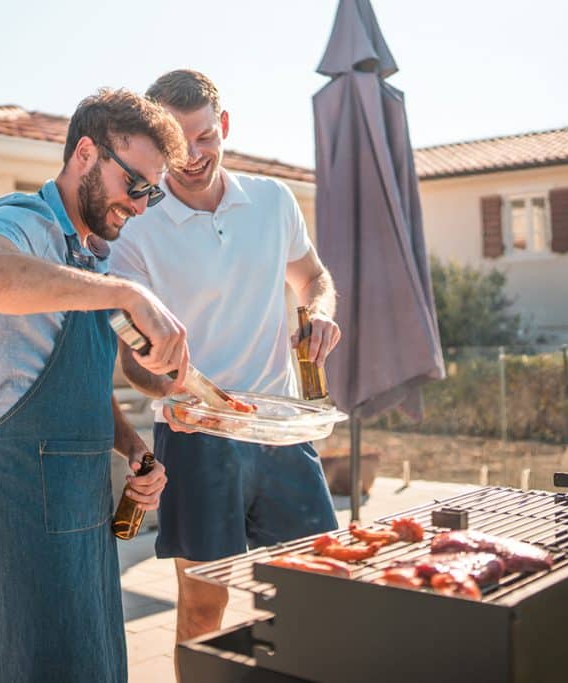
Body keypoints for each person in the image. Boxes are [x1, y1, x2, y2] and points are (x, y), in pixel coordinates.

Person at [109, 70, 343, 680]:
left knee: (312, 591)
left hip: (280, 434)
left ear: (226, 127)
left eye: (205, 137)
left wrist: (318, 315)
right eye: (178, 145)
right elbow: (131, 360)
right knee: (205, 604)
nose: (194, 156)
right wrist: (165, 386)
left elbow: (313, 279)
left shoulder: (272, 202)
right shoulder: (136, 228)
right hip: (195, 439)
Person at [0, 88, 187, 683]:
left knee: (95, 661)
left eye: (152, 193)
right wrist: (127, 293)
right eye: (136, 184)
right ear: (86, 152)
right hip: (22, 492)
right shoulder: (19, 221)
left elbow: (80, 383)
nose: (140, 205)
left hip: (83, 496)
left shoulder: (95, 259)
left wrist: (132, 447)